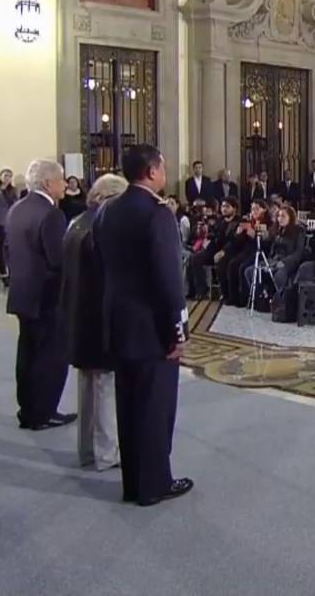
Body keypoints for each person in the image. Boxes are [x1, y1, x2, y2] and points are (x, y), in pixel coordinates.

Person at [94, 144, 192, 506]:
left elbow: (101, 266)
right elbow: (169, 280)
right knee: (155, 406)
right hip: (152, 329)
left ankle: (132, 482)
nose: (165, 173)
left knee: (128, 404)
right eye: (163, 167)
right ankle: (154, 485)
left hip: (119, 321)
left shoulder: (107, 210)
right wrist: (177, 331)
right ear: (151, 171)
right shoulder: (157, 214)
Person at [61, 174, 128, 470]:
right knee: (104, 385)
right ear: (107, 200)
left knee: (87, 383)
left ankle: (87, 449)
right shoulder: (102, 230)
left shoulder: (75, 224)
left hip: (77, 314)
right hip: (99, 316)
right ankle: (107, 452)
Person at [6, 159, 76, 431]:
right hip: (48, 297)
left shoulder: (18, 208)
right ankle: (44, 412)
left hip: (23, 292)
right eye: (61, 179)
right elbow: (58, 260)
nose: (65, 185)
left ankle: (28, 409)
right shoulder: (51, 214)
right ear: (48, 183)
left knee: (27, 352)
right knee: (50, 357)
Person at [245, 204, 306, 294]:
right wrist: (256, 236)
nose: (280, 219)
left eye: (283, 216)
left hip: (288, 262)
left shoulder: (299, 230)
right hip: (273, 260)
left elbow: (298, 252)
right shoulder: (276, 229)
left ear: (291, 217)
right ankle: (260, 298)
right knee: (250, 271)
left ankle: (278, 303)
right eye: (278, 216)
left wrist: (283, 262)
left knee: (279, 276)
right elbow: (266, 241)